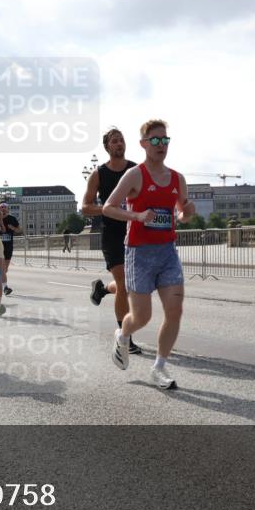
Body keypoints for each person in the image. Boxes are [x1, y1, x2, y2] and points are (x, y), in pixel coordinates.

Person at [103, 119, 194, 389]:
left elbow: (181, 212)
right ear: (143, 144)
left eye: (164, 140)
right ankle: (122, 333)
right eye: (154, 140)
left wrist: (185, 214)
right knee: (142, 317)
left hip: (166, 252)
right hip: (138, 253)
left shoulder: (178, 178)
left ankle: (159, 368)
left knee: (175, 310)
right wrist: (137, 215)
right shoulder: (135, 175)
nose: (160, 145)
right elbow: (108, 207)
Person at [82, 127, 142, 354]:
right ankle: (125, 337)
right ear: (107, 147)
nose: (119, 144)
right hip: (112, 234)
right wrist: (108, 209)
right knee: (125, 284)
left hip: (135, 232)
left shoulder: (136, 170)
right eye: (115, 141)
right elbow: (85, 207)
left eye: (122, 140)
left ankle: (102, 289)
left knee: (133, 284)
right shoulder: (98, 174)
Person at [0, 202, 22, 296]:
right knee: (3, 268)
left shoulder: (12, 219)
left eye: (5, 207)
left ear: (7, 209)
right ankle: (5, 288)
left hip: (9, 246)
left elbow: (20, 230)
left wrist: (13, 228)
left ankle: (1, 281)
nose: (3, 209)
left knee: (5, 269)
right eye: (1, 207)